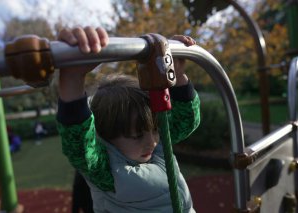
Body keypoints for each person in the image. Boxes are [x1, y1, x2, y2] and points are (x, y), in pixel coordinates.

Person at [56, 26, 200, 213]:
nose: (152, 141)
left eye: (155, 129)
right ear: (107, 136)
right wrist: (72, 78)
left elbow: (186, 120)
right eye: (137, 136)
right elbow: (79, 144)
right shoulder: (107, 171)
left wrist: (177, 74)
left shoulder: (158, 146)